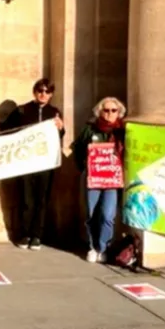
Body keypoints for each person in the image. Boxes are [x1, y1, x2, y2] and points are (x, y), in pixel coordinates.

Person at [0, 78, 66, 250]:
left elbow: (58, 136)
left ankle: (37, 235)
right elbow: (6, 131)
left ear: (51, 94)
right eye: (40, 90)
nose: (43, 94)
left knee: (42, 200)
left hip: (46, 163)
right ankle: (25, 234)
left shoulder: (54, 112)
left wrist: (61, 128)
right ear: (35, 92)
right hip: (26, 163)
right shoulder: (22, 110)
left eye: (47, 91)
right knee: (26, 199)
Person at [71, 97, 126, 264]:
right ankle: (92, 247)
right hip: (93, 179)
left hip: (112, 181)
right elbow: (77, 147)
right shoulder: (90, 129)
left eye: (113, 110)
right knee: (91, 213)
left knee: (108, 215)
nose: (110, 114)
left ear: (119, 113)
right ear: (100, 112)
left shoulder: (123, 131)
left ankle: (103, 248)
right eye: (106, 110)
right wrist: (84, 167)